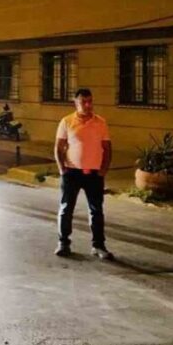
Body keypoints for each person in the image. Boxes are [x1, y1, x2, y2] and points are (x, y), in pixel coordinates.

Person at [53, 88, 113, 260]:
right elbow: (58, 147)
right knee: (66, 208)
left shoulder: (100, 122)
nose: (87, 105)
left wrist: (103, 169)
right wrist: (62, 169)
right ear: (76, 103)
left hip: (94, 174)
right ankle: (63, 242)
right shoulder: (67, 121)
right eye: (83, 102)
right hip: (72, 172)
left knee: (96, 210)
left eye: (90, 101)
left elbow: (107, 148)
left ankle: (98, 245)